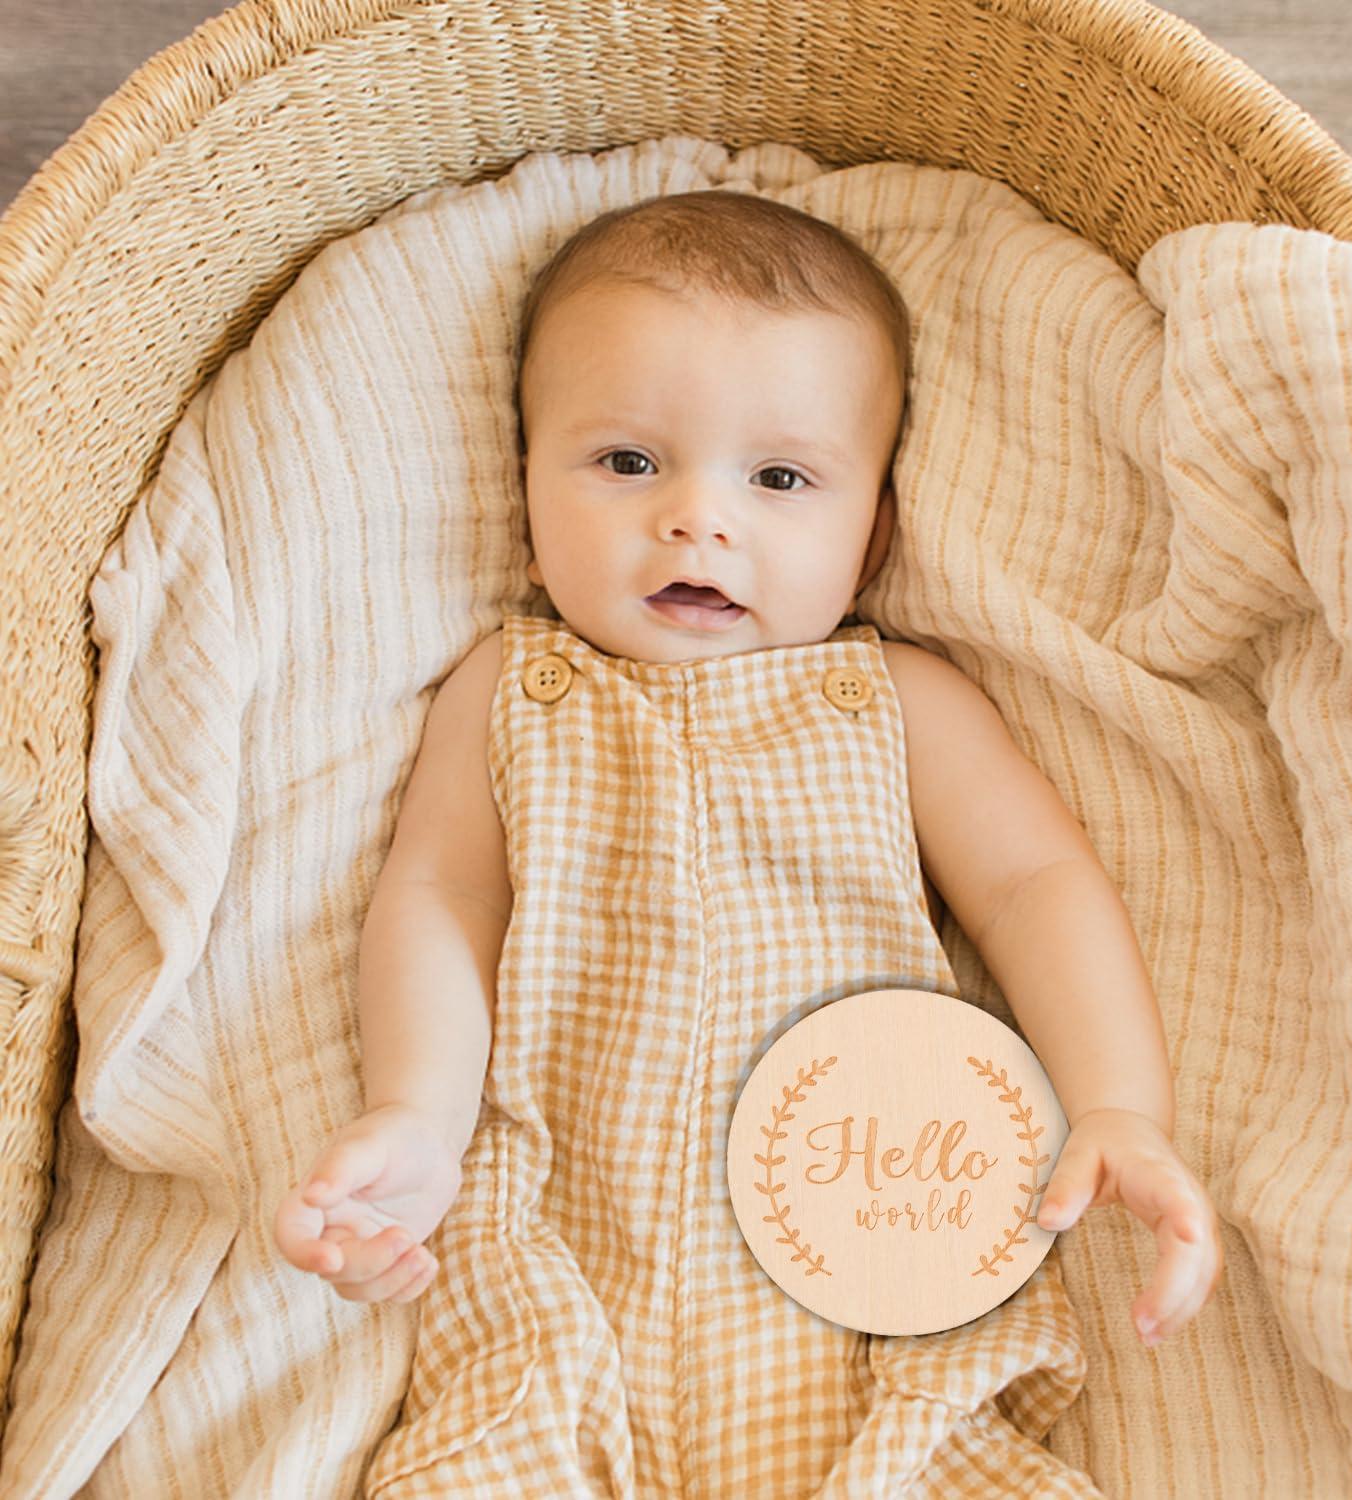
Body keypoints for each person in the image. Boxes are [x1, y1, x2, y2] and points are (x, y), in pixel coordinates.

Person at [274, 188, 1221, 1493]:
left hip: (869, 1273)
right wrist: (418, 1115)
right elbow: (442, 899)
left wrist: (1120, 1105)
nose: (697, 518)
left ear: (871, 539)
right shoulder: (508, 691)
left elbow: (1035, 887)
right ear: (525, 500)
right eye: (626, 463)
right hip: (556, 1277)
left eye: (778, 479)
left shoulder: (897, 699)